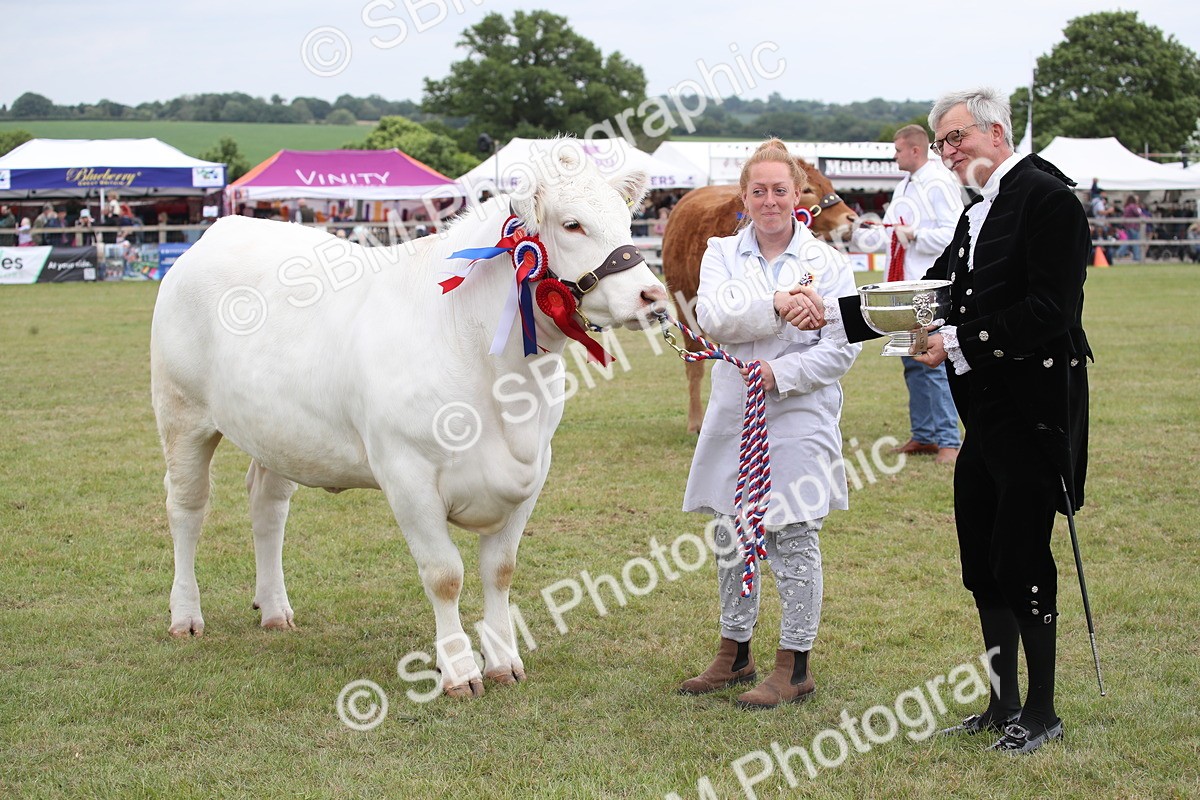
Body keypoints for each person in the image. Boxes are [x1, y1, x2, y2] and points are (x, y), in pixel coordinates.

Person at [792, 88, 1091, 754]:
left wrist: (956, 342)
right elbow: (935, 295)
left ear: (996, 133)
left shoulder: (1049, 200)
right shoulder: (976, 210)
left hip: (1036, 415)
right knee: (982, 564)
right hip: (984, 416)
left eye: (957, 139)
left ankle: (1042, 710)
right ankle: (1000, 702)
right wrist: (835, 314)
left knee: (1022, 559)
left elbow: (1051, 311)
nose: (949, 153)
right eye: (943, 142)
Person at [678, 138, 861, 709]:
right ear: (745, 196)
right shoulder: (719, 254)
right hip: (735, 413)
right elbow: (712, 317)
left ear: (799, 194)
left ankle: (795, 664)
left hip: (799, 411)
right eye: (758, 191)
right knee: (731, 531)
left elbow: (841, 349)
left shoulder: (830, 263)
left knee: (793, 534)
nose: (770, 200)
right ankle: (735, 652)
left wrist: (780, 373)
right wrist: (779, 304)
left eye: (780, 190)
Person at [852, 124, 965, 464]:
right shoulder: (905, 185)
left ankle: (949, 439)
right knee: (913, 363)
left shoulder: (939, 182)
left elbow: (953, 234)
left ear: (915, 150)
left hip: (926, 291)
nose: (895, 155)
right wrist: (877, 232)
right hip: (904, 288)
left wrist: (913, 235)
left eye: (898, 150)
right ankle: (926, 434)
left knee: (931, 363)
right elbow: (891, 233)